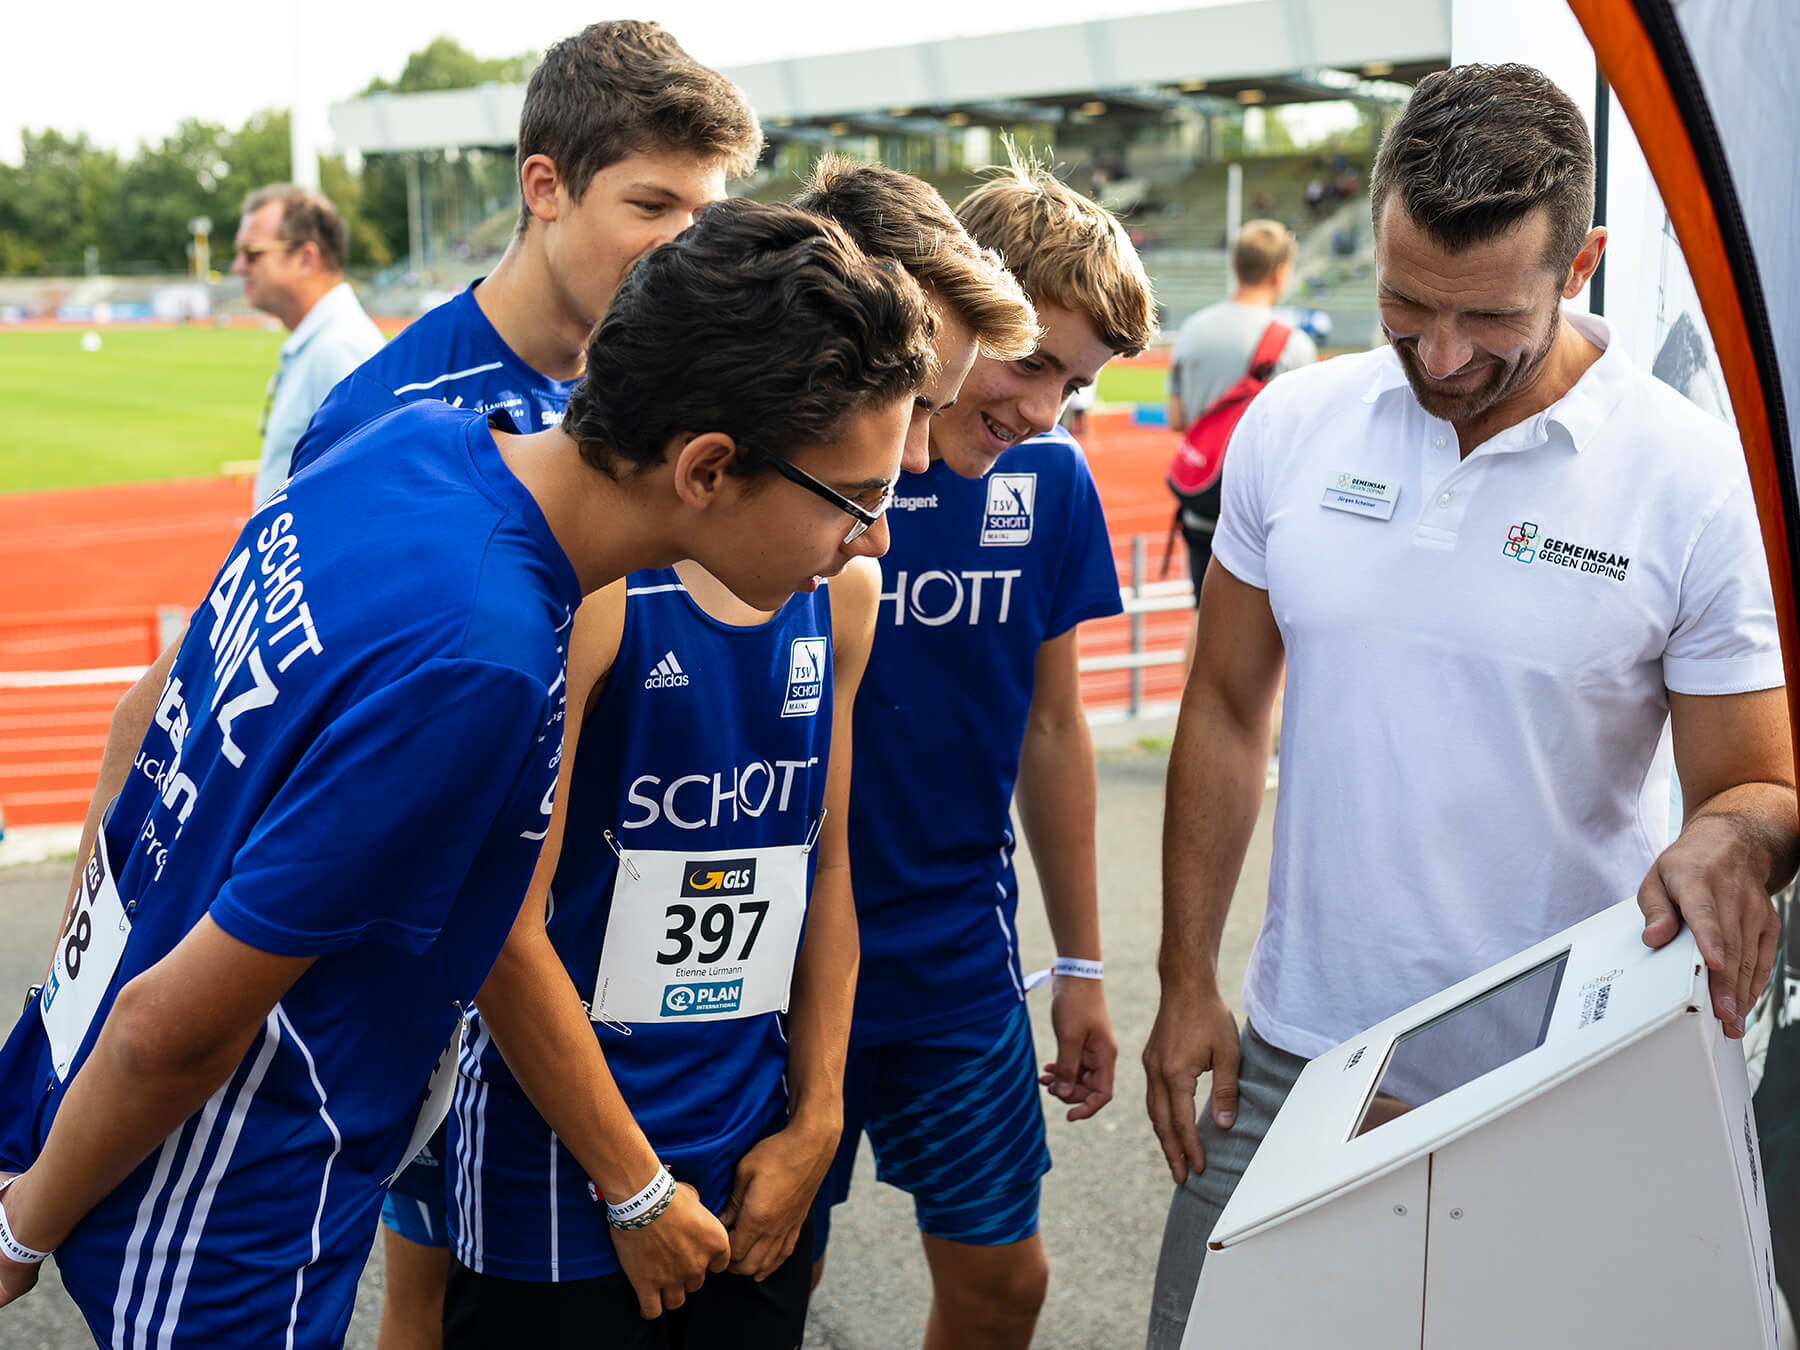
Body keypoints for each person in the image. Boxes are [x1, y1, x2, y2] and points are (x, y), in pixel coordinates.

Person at [0, 198, 933, 1349]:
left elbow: (149, 724)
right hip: (231, 1191)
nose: (877, 540)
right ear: (707, 466)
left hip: (100, 1088)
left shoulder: (419, 440)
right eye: (863, 501)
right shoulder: (483, 660)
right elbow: (177, 1029)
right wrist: (18, 1235)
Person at [1140, 63, 1797, 1349]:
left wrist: (1735, 838)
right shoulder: (1297, 424)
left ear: (1583, 262)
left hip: (1559, 1070)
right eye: (1403, 305)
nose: (1440, 356)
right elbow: (1222, 707)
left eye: (1487, 317)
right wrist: (1184, 979)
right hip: (1295, 1053)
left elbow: (1758, 786)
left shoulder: (1688, 476)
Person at [432, 160, 1037, 1348]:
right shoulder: (594, 582)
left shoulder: (844, 595)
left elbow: (825, 869)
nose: (915, 463)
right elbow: (501, 919)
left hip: (747, 1140)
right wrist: (632, 1181)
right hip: (560, 1175)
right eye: (909, 407)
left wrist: (816, 1120)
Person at [283, 25, 762, 1348]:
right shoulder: (390, 414)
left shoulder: (710, 394)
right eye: (650, 205)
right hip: (444, 1013)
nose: (681, 244)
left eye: (702, 212)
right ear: (544, 185)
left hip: (655, 1013)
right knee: (423, 1299)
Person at [810, 154, 1157, 1350]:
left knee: (1005, 1284)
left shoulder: (1051, 486)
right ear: (947, 316)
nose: (1047, 408)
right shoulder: (814, 466)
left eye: (1079, 382)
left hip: (954, 966)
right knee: (763, 1278)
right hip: (780, 969)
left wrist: (1084, 969)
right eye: (1031, 362)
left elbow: (1053, 731)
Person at [1165, 220, 1316, 619]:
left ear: (1236, 266)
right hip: (1260, 517)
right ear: (1280, 272)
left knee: (1205, 624)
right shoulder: (1294, 345)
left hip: (1201, 506)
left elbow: (1176, 418)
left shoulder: (1192, 330)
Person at [232, 184, 384, 503]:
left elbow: (371, 494)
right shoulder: (320, 344)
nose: (238, 267)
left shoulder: (340, 349)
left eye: (252, 254)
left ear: (305, 258)